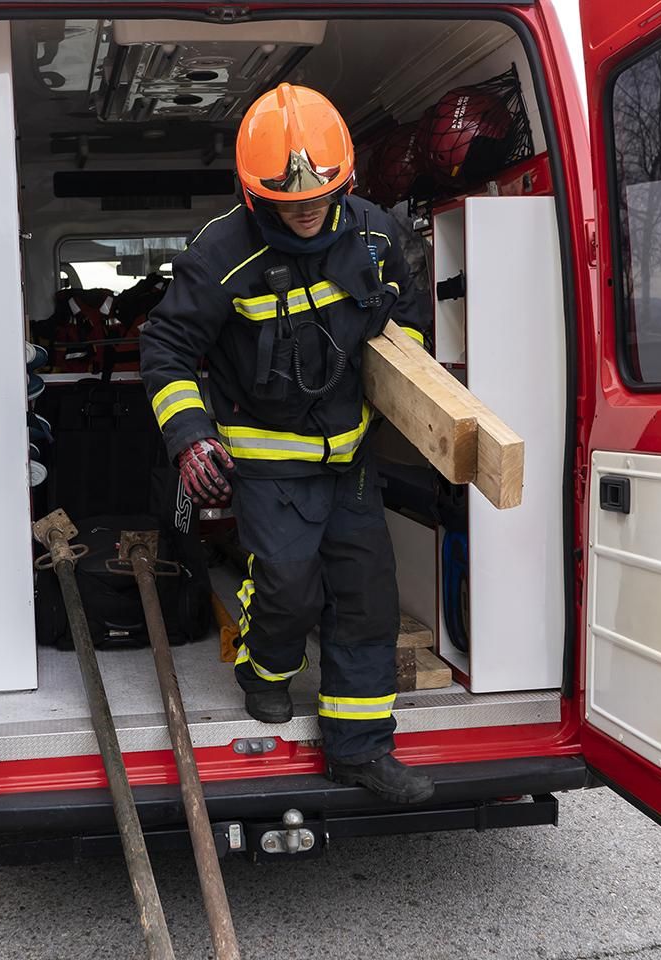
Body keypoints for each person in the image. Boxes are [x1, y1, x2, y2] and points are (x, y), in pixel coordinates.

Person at [139, 84, 433, 803]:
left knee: (366, 599)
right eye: (287, 203)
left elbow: (408, 311)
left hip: (353, 457)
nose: (306, 213)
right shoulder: (220, 255)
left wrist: (410, 379)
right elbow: (167, 349)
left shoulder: (374, 234)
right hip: (267, 459)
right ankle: (263, 670)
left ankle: (360, 749)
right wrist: (190, 436)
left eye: (319, 198)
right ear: (249, 194)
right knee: (289, 588)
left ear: (347, 182)